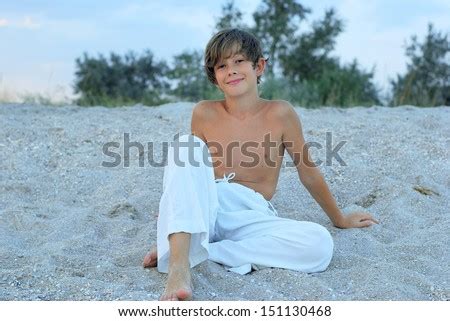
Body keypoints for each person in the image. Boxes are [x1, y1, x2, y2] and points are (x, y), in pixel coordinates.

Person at [143, 28, 378, 301]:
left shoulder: (280, 113)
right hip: (210, 203)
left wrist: (339, 218)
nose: (231, 70)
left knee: (320, 244)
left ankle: (201, 249)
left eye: (239, 61)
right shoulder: (204, 113)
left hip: (252, 211)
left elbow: (308, 171)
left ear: (259, 66)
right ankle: (179, 267)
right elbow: (189, 174)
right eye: (222, 65)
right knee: (186, 146)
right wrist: (176, 203)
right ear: (215, 77)